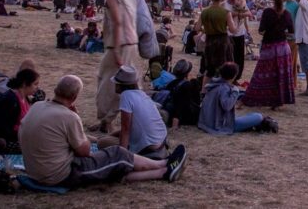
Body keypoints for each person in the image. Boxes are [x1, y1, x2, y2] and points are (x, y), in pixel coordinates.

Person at [20, 75, 187, 188]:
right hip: (59, 175)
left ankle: (164, 168)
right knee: (117, 156)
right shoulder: (68, 117)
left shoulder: (37, 106)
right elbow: (84, 152)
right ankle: (164, 166)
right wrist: (75, 117)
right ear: (75, 97)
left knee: (112, 161)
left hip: (35, 171)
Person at [95, 0, 141, 133]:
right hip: (131, 43)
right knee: (123, 82)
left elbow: (117, 22)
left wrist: (115, 49)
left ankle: (106, 121)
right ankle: (107, 120)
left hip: (120, 44)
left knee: (108, 84)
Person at [241, 0, 295, 109]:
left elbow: (261, 31)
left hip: (269, 47)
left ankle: (258, 98)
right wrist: (281, 33)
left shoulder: (267, 12)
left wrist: (271, 33)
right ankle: (277, 101)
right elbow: (291, 32)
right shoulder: (287, 14)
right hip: (283, 48)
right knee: (280, 76)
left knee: (262, 74)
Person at [98, 65, 169, 159]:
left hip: (148, 146)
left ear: (121, 85)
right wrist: (110, 136)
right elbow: (131, 128)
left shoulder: (126, 96)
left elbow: (126, 129)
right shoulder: (142, 94)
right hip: (161, 141)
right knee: (106, 138)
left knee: (101, 143)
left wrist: (122, 155)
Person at [199, 62, 266, 134]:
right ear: (234, 76)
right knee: (258, 116)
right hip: (219, 126)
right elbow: (227, 106)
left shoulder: (213, 84)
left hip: (205, 123)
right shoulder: (224, 88)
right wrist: (235, 91)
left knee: (250, 115)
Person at [0, 68, 40, 153]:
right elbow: (4, 130)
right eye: (35, 84)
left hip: (16, 137)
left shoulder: (24, 97)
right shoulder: (10, 101)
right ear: (25, 84)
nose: (37, 88)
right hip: (3, 142)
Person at [198, 0, 233, 78]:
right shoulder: (226, 12)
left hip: (209, 40)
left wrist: (206, 29)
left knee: (210, 69)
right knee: (224, 67)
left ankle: (204, 91)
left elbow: (197, 28)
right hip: (223, 41)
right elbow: (233, 30)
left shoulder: (204, 11)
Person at [228, 0, 250, 81]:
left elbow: (248, 13)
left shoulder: (241, 0)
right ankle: (231, 75)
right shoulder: (229, 1)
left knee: (239, 55)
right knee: (230, 54)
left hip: (239, 31)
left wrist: (239, 14)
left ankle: (237, 75)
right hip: (230, 30)